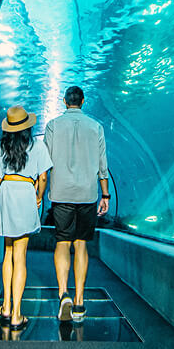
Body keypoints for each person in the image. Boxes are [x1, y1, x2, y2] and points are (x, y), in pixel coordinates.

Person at [0, 105, 52, 330]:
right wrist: (39, 197)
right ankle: (17, 314)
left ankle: (6, 306)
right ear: (27, 127)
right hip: (25, 194)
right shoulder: (38, 146)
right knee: (20, 256)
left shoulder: (0, 147)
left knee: (8, 253)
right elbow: (43, 177)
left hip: (5, 193)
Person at [44, 86, 109, 323]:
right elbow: (103, 164)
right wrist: (105, 195)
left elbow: (46, 160)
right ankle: (80, 303)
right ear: (83, 101)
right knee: (81, 245)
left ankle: (63, 294)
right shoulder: (96, 127)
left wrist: (40, 190)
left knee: (62, 242)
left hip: (61, 193)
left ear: (64, 101)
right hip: (87, 194)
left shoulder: (52, 125)